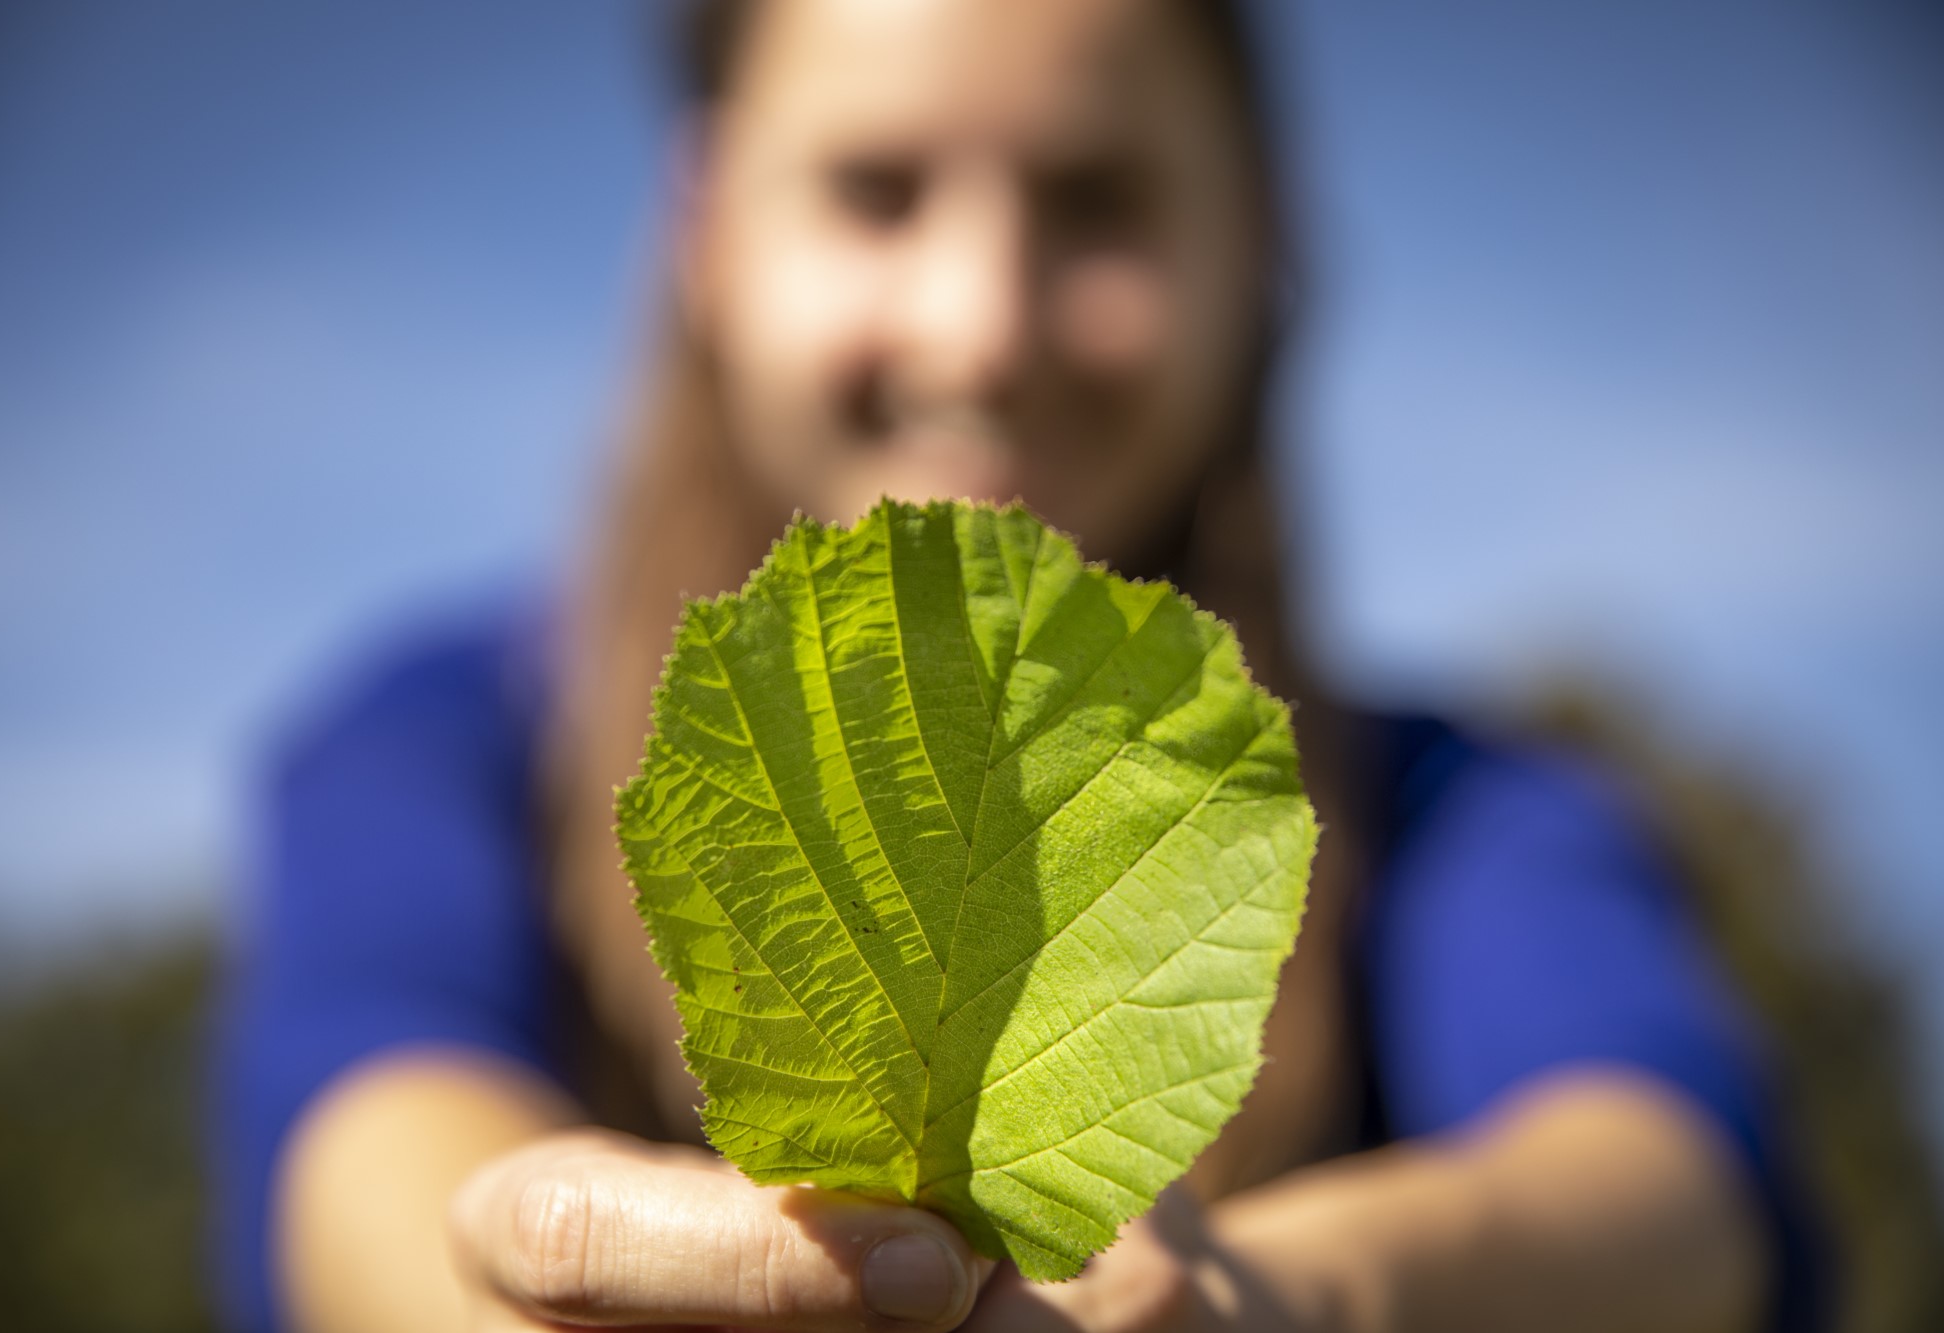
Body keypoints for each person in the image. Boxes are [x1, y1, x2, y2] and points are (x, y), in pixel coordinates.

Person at [213, 1, 1826, 1330]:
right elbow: (365, 1133)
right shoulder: (448, 744)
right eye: (875, 188)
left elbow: (1678, 1192)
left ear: (1255, 241)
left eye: (1096, 200)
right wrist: (513, 1277)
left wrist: (1287, 1297)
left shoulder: (1460, 816)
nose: (979, 324)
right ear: (705, 235)